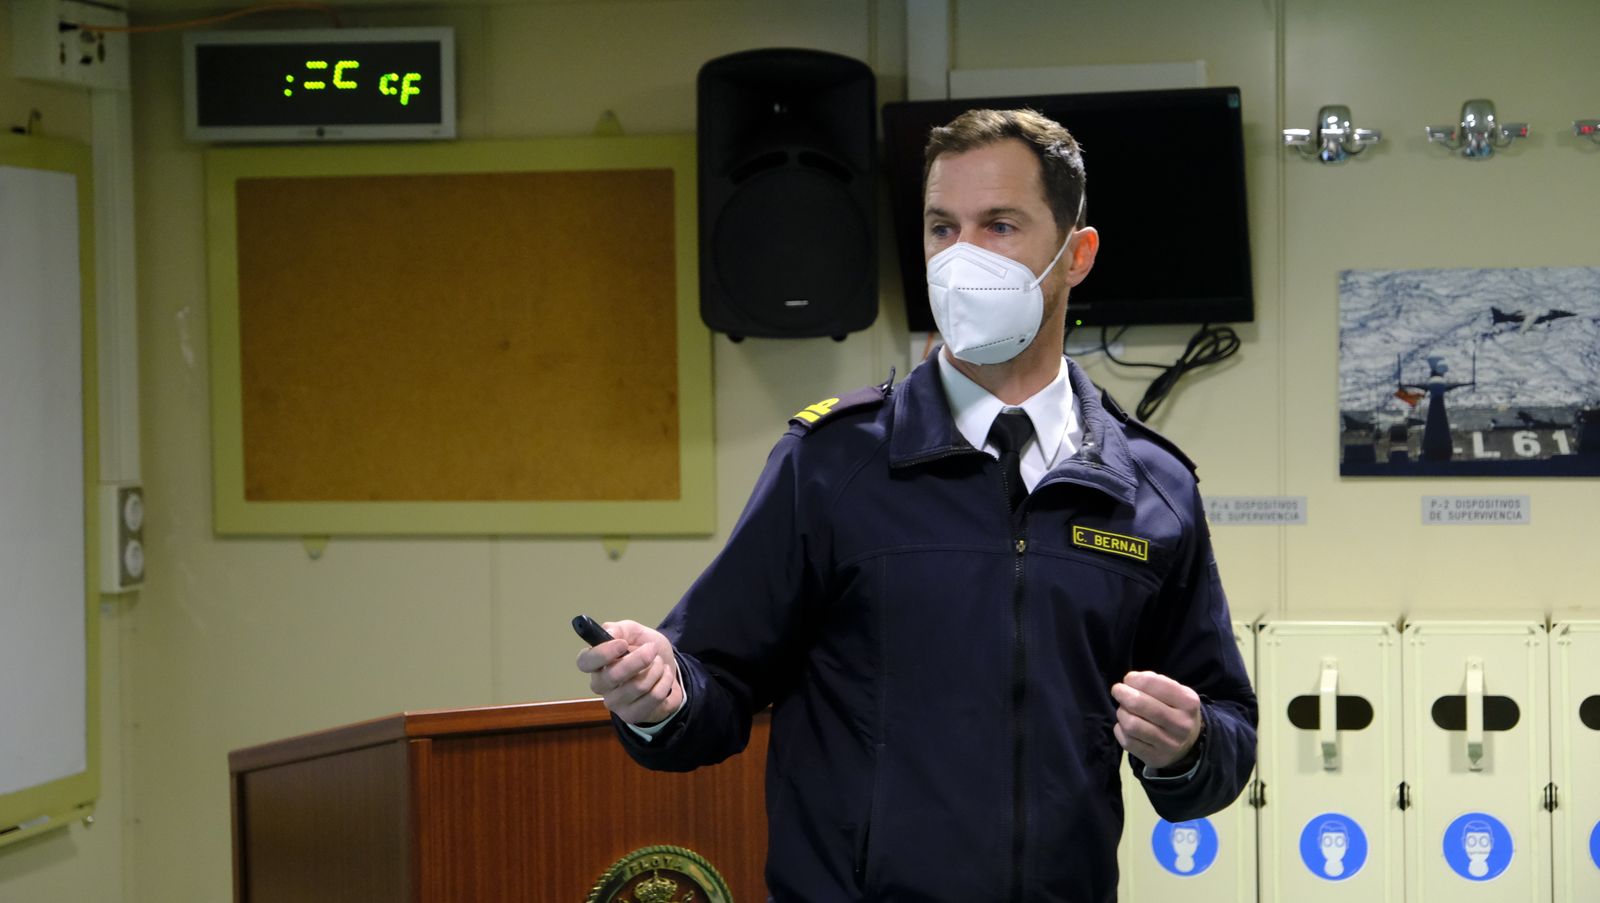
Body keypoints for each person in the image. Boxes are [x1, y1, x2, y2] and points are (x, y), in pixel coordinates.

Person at [576, 108, 1256, 902]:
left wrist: (1190, 744)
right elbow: (712, 681)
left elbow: (1225, 731)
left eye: (999, 225)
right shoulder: (833, 462)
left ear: (1077, 255)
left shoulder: (1150, 485)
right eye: (942, 227)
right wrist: (659, 695)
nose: (961, 256)